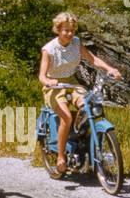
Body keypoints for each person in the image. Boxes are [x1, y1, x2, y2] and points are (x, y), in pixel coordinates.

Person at [39, 11, 121, 175]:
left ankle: (83, 144)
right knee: (67, 117)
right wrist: (49, 81)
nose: (69, 34)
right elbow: (41, 76)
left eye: (72, 30)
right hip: (53, 87)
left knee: (88, 108)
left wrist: (110, 69)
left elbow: (92, 59)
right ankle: (61, 157)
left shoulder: (76, 43)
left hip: (71, 83)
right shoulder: (48, 49)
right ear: (58, 29)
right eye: (66, 30)